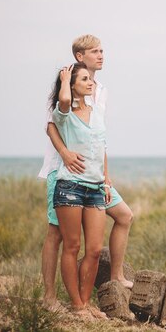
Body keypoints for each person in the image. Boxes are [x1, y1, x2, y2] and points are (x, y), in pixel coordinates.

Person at [38, 35, 133, 312]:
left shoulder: (100, 91)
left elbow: (98, 138)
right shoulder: (66, 89)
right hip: (63, 171)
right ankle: (49, 297)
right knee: (57, 235)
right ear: (80, 56)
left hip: (94, 174)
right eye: (95, 51)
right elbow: (51, 125)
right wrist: (66, 154)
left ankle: (114, 277)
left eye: (103, 50)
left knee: (124, 215)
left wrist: (105, 174)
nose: (102, 55)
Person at [49, 62, 109, 318]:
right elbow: (63, 100)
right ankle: (76, 304)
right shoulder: (65, 113)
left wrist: (106, 181)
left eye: (90, 79)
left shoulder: (97, 114)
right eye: (83, 79)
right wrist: (64, 80)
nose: (89, 82)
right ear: (72, 86)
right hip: (70, 187)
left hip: (95, 188)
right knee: (72, 246)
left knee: (94, 249)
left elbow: (102, 150)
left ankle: (85, 302)